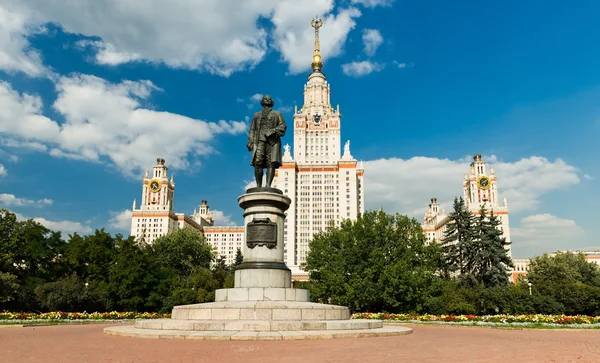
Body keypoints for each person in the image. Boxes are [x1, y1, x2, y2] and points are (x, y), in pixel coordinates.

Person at [246, 95, 287, 188]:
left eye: (269, 99)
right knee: (258, 162)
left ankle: (268, 185)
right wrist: (250, 141)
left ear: (271, 102)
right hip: (259, 141)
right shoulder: (257, 115)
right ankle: (258, 186)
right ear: (262, 101)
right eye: (265, 99)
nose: (267, 100)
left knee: (271, 162)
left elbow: (283, 126)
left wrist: (273, 131)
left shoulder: (277, 114)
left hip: (272, 142)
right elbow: (252, 129)